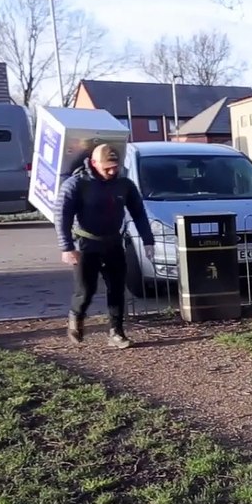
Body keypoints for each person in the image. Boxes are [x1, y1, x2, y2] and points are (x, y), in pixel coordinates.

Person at [56, 143, 155, 349]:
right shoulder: (76, 184)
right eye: (107, 168)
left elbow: (139, 213)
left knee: (118, 289)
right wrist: (67, 247)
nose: (112, 171)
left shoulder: (124, 185)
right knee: (86, 290)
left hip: (113, 243)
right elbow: (62, 216)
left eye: (115, 167)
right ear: (93, 163)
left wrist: (148, 241)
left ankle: (116, 333)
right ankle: (76, 318)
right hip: (86, 245)